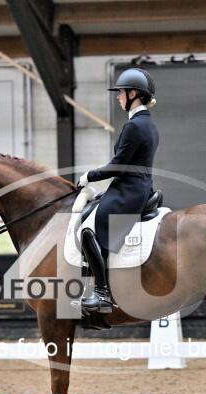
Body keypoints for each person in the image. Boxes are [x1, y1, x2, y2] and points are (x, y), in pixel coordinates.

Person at [77, 67, 159, 314]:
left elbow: (118, 165)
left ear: (133, 94)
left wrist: (89, 176)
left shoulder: (134, 126)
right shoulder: (149, 124)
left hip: (129, 190)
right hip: (139, 187)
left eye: (121, 93)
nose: (118, 97)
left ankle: (102, 293)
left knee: (88, 230)